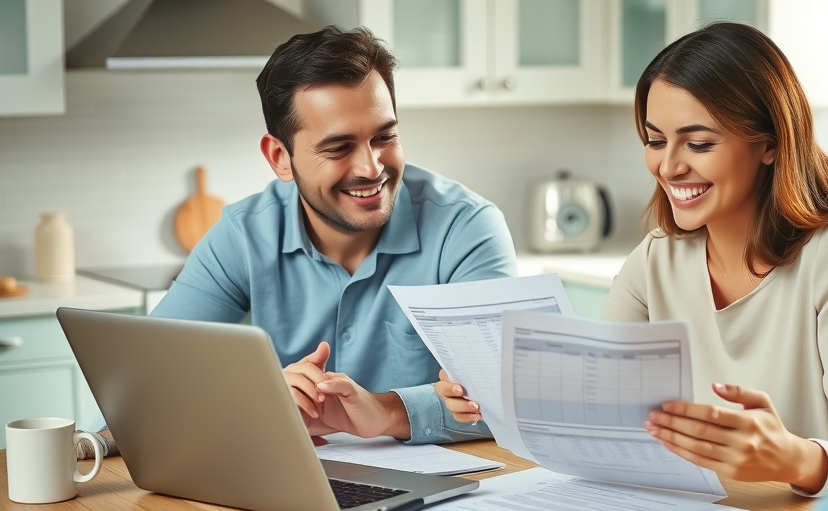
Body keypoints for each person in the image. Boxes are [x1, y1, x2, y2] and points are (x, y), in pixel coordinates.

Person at [435, 22, 828, 496]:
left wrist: (794, 459)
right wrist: (492, 397)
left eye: (699, 143)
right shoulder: (659, 257)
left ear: (769, 143)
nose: (669, 166)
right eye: (655, 140)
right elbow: (598, 406)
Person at [83, 25, 517, 459]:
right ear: (279, 158)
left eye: (384, 137)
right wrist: (260, 399)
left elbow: (513, 401)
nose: (370, 167)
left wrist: (385, 411)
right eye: (338, 147)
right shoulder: (243, 234)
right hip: (293, 486)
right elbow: (147, 385)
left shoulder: (467, 229)